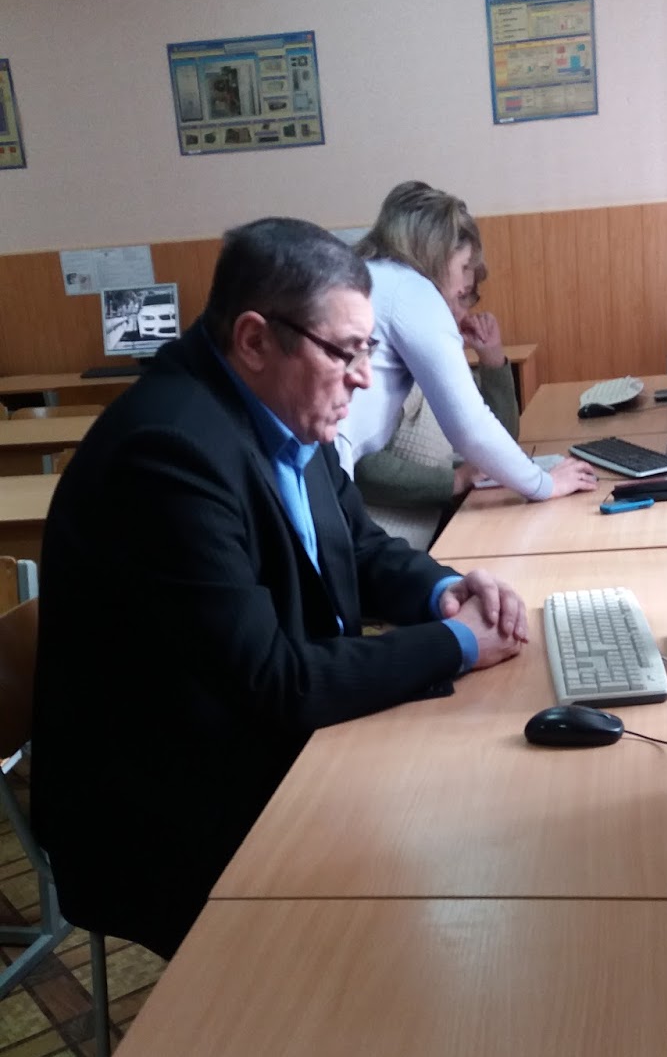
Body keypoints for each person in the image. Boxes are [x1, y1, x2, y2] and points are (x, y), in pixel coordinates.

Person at [31, 218, 529, 961]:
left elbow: (359, 547)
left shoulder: (282, 407)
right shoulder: (168, 454)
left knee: (472, 813)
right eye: (345, 351)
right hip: (168, 811)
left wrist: (447, 591)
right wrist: (458, 644)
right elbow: (276, 683)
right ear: (256, 340)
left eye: (367, 349)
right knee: (423, 896)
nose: (364, 377)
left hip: (258, 742)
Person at [338, 180, 597, 503]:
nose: (463, 285)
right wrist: (545, 484)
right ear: (436, 252)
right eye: (462, 267)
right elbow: (470, 427)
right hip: (328, 467)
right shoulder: (413, 292)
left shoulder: (369, 276)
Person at [355, 256, 521, 546]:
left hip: (426, 540)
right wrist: (455, 480)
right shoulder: (389, 369)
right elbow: (364, 467)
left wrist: (492, 358)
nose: (461, 312)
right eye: (458, 297)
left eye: (467, 298)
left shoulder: (442, 361)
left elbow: (500, 441)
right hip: (383, 549)